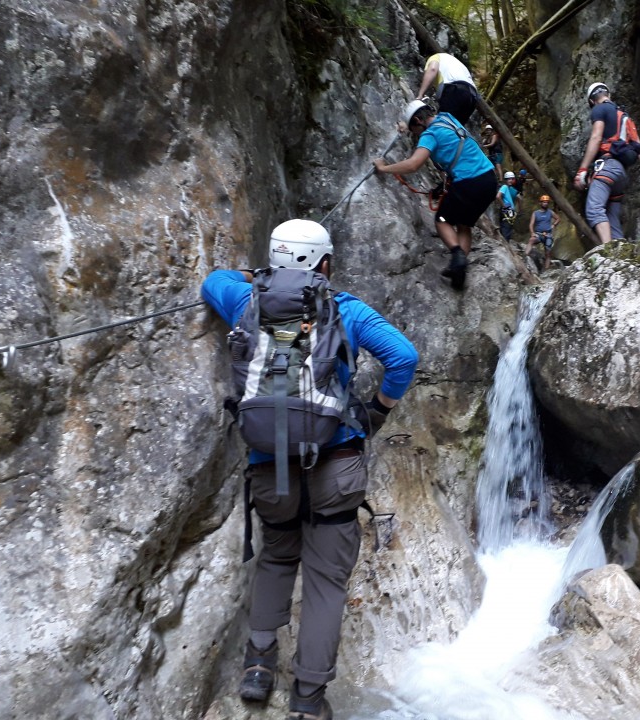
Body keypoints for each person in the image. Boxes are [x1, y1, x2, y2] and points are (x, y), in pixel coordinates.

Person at [201, 219, 419, 720]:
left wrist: (251, 276)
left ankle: (258, 666)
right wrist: (378, 410)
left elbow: (213, 281)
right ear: (326, 263)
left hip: (267, 463)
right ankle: (307, 699)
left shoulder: (243, 302)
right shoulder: (346, 311)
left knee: (277, 558)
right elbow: (403, 356)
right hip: (335, 462)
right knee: (325, 580)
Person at [373, 101, 496, 290]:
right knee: (464, 223)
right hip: (489, 179)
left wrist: (384, 168)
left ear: (417, 120)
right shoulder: (448, 118)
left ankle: (457, 255)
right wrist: (407, 126)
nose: (416, 134)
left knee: (442, 220)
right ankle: (459, 271)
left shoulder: (430, 135)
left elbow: (414, 164)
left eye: (415, 129)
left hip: (468, 182)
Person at [573, 82, 640, 243]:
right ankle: (620, 252)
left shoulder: (599, 109)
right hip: (621, 176)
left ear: (591, 101)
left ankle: (608, 253)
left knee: (594, 209)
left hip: (607, 168)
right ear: (608, 94)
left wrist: (583, 169)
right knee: (612, 217)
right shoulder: (626, 118)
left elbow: (597, 137)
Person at [416, 52, 479, 125]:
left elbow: (432, 69)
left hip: (455, 91)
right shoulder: (454, 62)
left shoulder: (434, 57)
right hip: (472, 97)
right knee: (455, 130)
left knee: (443, 126)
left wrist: (420, 95)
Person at [525, 195, 560, 270]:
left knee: (548, 253)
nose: (545, 203)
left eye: (547, 202)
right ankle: (525, 257)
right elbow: (531, 224)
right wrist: (532, 233)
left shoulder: (550, 212)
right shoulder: (535, 213)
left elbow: (558, 218)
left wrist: (554, 225)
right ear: (540, 203)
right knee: (531, 240)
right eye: (544, 202)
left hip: (548, 235)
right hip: (538, 234)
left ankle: (546, 270)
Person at [496, 170, 521, 242]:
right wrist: (519, 209)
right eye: (509, 179)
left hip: (506, 211)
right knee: (506, 231)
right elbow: (498, 196)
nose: (510, 180)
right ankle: (505, 247)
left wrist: (503, 205)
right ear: (506, 180)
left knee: (505, 229)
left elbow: (498, 197)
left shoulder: (509, 188)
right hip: (507, 211)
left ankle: (504, 245)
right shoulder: (505, 187)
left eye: (512, 179)